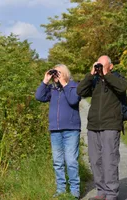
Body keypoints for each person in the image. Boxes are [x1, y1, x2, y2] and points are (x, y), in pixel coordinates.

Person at [77, 55, 127, 200]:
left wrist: (106, 74)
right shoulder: (94, 81)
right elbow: (80, 91)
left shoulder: (117, 78)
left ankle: (111, 194)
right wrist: (91, 74)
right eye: (98, 65)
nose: (100, 67)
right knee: (95, 160)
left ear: (110, 66)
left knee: (109, 159)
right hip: (93, 125)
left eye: (103, 65)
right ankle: (101, 192)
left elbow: (122, 88)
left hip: (111, 124)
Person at [35, 64, 81, 199]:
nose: (56, 75)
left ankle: (74, 191)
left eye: (59, 73)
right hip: (55, 130)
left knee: (71, 161)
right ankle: (61, 190)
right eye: (55, 73)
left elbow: (73, 100)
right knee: (57, 161)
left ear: (65, 74)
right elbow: (39, 96)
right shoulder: (52, 89)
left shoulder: (74, 86)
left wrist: (64, 83)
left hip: (71, 130)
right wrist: (45, 80)